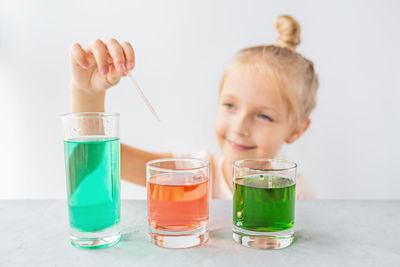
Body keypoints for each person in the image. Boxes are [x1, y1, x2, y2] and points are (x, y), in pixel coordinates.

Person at [69, 15, 318, 200]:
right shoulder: (193, 173)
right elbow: (100, 158)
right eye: (230, 105)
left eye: (264, 116)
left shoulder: (299, 196)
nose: (239, 127)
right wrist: (87, 92)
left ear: (296, 130)